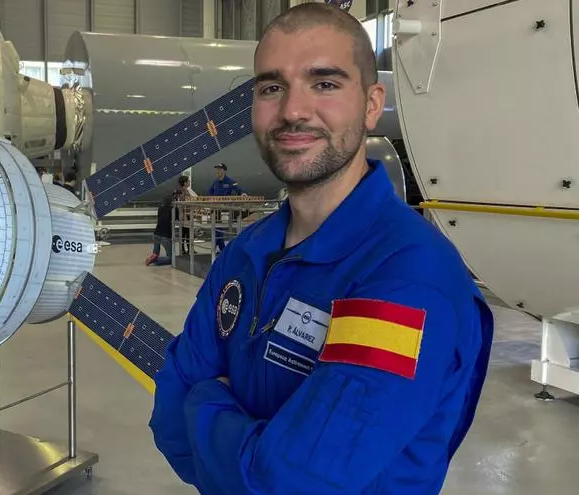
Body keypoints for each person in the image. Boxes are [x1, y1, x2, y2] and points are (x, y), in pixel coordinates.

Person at [148, 4, 494, 495]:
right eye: (271, 87)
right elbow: (167, 424)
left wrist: (205, 402)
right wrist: (243, 450)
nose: (292, 110)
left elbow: (289, 485)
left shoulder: (407, 276)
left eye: (325, 83)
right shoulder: (247, 252)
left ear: (372, 104)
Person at [146, 192, 176, 266]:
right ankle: (157, 260)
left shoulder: (160, 208)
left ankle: (154, 256)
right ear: (172, 201)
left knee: (156, 251)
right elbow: (178, 219)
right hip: (166, 236)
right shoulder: (173, 209)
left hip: (156, 233)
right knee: (171, 258)